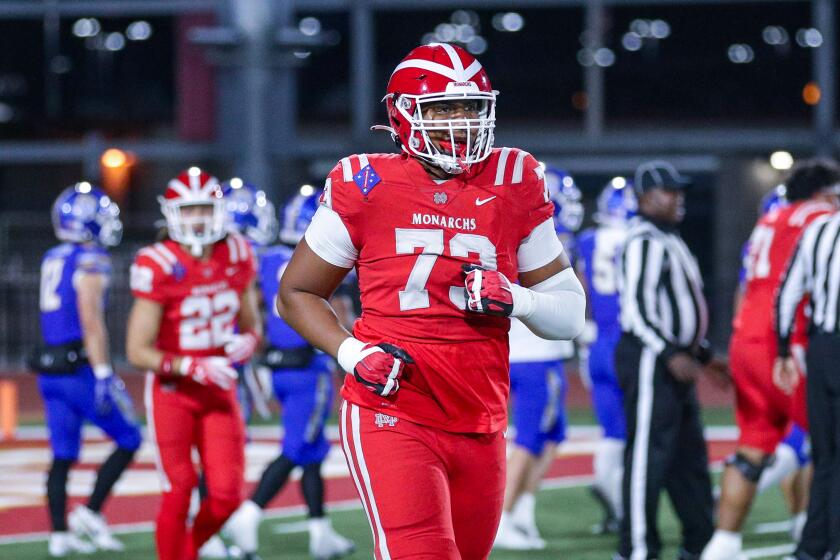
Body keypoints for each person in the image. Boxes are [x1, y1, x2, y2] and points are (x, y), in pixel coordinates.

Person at [275, 42, 586, 559]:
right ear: (403, 115)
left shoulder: (515, 178)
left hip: (480, 415)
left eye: (472, 107)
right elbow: (297, 293)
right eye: (444, 108)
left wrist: (516, 299)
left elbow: (569, 312)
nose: (462, 121)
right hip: (392, 406)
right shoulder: (366, 183)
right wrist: (353, 355)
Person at [702, 159, 840, 560]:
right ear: (823, 192)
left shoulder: (770, 220)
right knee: (826, 442)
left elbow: (746, 288)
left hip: (748, 340)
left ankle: (723, 542)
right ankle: (818, 534)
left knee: (753, 444)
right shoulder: (821, 218)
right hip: (790, 342)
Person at [125, 167, 263, 560]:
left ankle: (189, 550)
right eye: (189, 211)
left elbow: (253, 324)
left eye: (204, 209)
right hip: (174, 391)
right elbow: (137, 350)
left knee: (226, 496)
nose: (198, 219)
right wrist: (191, 367)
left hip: (219, 389)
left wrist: (248, 341)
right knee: (180, 486)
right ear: (172, 214)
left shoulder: (236, 252)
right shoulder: (160, 261)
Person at [223, 182, 355, 560]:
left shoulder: (265, 258)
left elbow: (257, 308)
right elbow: (340, 313)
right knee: (296, 448)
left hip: (276, 366)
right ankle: (249, 513)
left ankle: (320, 531)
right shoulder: (320, 256)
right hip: (306, 367)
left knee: (312, 450)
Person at [616, 160, 728, 560]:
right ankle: (637, 549)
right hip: (650, 358)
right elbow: (637, 309)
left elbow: (679, 311)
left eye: (680, 191)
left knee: (689, 457)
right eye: (670, 191)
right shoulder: (643, 240)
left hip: (673, 358)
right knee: (647, 456)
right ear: (645, 198)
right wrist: (669, 352)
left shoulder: (669, 239)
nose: (678, 198)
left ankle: (699, 543)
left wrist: (704, 353)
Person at [31, 183, 142, 557]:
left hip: (51, 370)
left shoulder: (53, 256)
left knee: (62, 454)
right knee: (130, 438)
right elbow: (90, 319)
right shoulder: (90, 260)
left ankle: (59, 536)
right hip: (80, 370)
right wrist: (103, 373)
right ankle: (91, 513)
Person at [494, 167, 584, 550]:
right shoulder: (528, 234)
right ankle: (501, 518)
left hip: (540, 349)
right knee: (529, 438)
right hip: (531, 349)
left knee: (551, 434)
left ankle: (523, 509)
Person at [774, 159, 840, 560]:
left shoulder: (817, 229)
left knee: (826, 454)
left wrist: (783, 350)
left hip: (821, 349)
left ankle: (813, 547)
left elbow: (788, 291)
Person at [575, 178, 638, 534]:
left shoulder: (587, 240)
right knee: (635, 430)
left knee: (611, 428)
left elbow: (581, 288)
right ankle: (623, 504)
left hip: (597, 343)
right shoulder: (638, 238)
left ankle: (607, 486)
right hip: (628, 341)